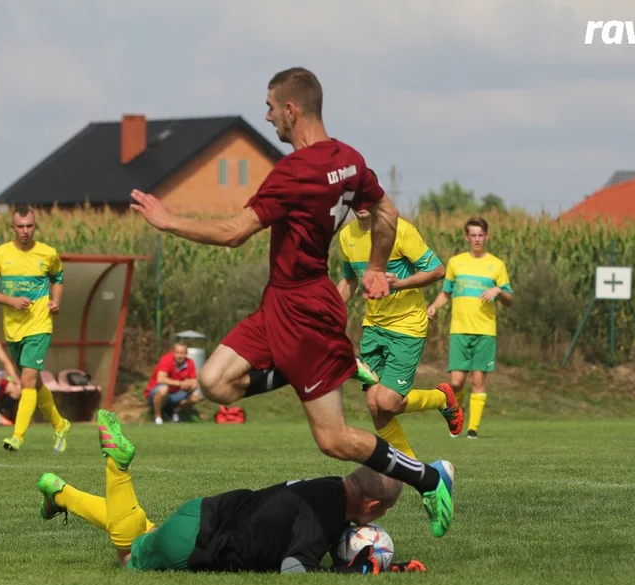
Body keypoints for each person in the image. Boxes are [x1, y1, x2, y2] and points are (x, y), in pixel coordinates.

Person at [130, 67, 454, 538]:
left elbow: (234, 232)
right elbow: (387, 212)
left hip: (306, 311)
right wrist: (378, 266)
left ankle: (430, 476)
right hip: (279, 303)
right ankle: (319, 367)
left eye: (269, 107)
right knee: (216, 383)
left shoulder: (294, 172)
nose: (266, 117)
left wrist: (168, 221)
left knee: (334, 440)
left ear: (291, 109)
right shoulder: (349, 159)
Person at [35, 410, 429, 574]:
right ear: (373, 505)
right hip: (198, 541)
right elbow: (295, 569)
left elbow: (310, 539)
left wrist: (383, 565)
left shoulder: (329, 489)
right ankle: (117, 466)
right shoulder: (325, 516)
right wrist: (354, 574)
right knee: (127, 556)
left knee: (145, 529)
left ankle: (59, 493)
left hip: (204, 513)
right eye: (384, 513)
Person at [337, 207, 464, 454]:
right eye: (356, 197)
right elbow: (349, 279)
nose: (362, 203)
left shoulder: (400, 230)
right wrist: (326, 310)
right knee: (376, 408)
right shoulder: (346, 236)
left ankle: (441, 399)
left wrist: (400, 283)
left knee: (387, 402)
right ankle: (412, 469)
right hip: (373, 328)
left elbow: (437, 270)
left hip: (407, 325)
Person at [0, 204, 71, 452]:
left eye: (29, 226)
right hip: (13, 328)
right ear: (13, 227)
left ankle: (17, 436)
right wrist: (11, 301)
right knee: (34, 381)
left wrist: (56, 301)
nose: (25, 231)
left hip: (40, 325)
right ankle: (60, 425)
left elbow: (58, 279)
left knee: (27, 380)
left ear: (35, 226)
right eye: (20, 226)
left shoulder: (48, 253)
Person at [427, 217, 513, 438]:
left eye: (480, 234)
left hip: (485, 331)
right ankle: (459, 411)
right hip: (459, 329)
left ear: (486, 236)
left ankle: (473, 429)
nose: (476, 239)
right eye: (472, 235)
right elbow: (446, 293)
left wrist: (498, 291)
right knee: (456, 382)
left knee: (478, 380)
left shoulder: (496, 265)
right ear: (466, 237)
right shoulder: (456, 262)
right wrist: (434, 307)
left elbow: (510, 298)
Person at [144, 342, 201, 425]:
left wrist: (189, 384)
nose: (179, 356)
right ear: (173, 352)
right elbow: (161, 379)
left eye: (182, 353)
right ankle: (157, 417)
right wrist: (180, 383)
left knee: (195, 396)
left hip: (176, 394)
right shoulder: (166, 359)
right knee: (164, 389)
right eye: (177, 352)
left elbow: (194, 382)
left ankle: (174, 411)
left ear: (186, 353)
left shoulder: (190, 363)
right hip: (156, 392)